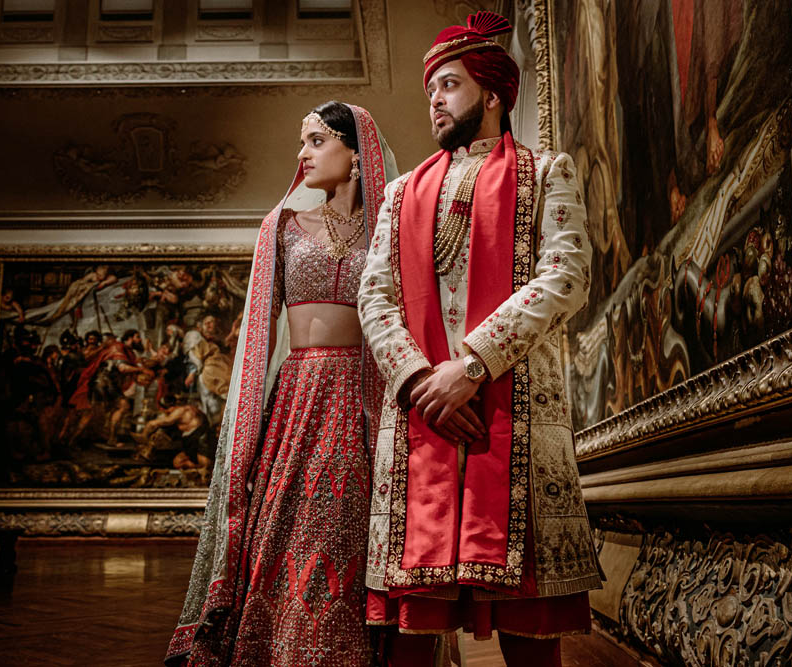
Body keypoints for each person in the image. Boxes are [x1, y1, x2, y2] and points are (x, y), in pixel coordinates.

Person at [359, 11, 600, 667]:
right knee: (410, 636)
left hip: (512, 414)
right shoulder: (401, 194)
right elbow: (374, 296)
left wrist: (469, 365)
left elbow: (568, 274)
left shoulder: (548, 171)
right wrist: (418, 380)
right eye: (430, 90)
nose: (434, 101)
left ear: (492, 93)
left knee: (530, 637)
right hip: (423, 420)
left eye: (448, 85)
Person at [166, 102, 397, 666]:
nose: (302, 154)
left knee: (351, 530)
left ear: (357, 153)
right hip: (298, 398)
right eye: (304, 142)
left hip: (367, 399)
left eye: (317, 141)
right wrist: (246, 429)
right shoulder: (283, 227)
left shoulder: (389, 230)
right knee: (284, 529)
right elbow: (258, 337)